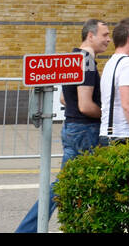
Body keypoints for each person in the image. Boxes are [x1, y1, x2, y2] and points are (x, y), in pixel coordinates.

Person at [14, 18, 111, 233]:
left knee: (69, 185)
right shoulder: (86, 61)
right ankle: (27, 230)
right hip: (86, 130)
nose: (108, 39)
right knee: (80, 185)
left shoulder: (74, 58)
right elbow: (86, 106)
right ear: (90, 35)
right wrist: (107, 115)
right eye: (105, 35)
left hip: (74, 128)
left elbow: (64, 100)